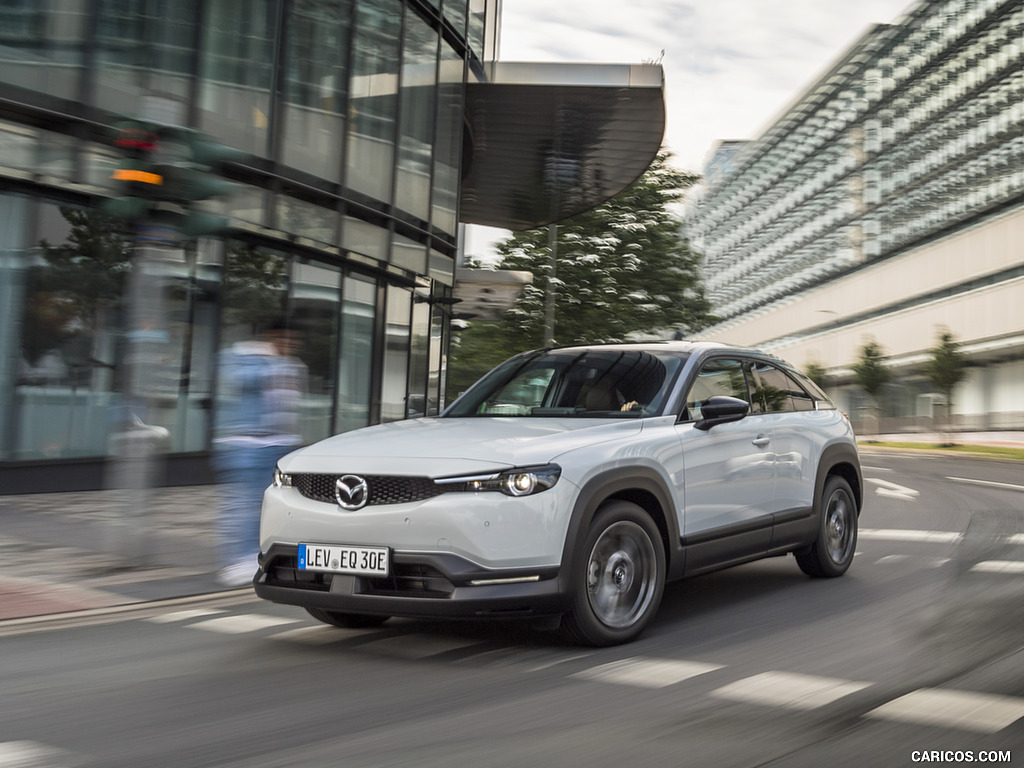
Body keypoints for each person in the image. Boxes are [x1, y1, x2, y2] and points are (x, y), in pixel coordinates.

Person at [212, 319, 307, 587]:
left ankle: (260, 555)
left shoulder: (293, 365)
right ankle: (236, 560)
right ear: (271, 338)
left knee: (269, 505)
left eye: (294, 342)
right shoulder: (245, 358)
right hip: (247, 444)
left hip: (279, 445)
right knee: (240, 505)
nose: (290, 346)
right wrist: (264, 360)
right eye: (285, 341)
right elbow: (236, 381)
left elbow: (290, 404)